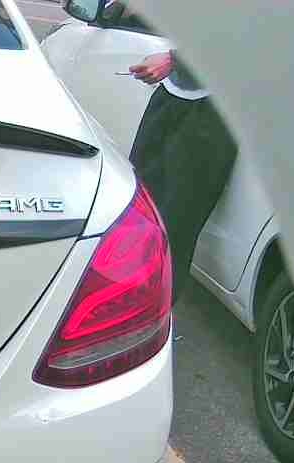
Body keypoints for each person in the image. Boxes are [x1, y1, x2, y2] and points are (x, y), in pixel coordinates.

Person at [128, 49, 238, 300]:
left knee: (174, 229)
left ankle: (148, 313)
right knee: (138, 211)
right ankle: (119, 301)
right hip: (172, 93)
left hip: (213, 113)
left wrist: (174, 59)